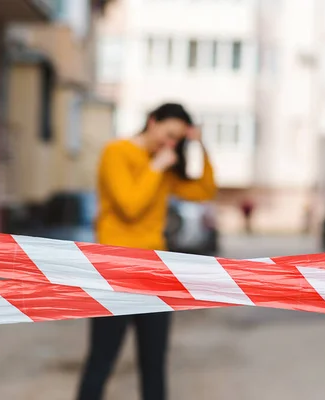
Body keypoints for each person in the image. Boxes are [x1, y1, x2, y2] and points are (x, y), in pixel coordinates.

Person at [76, 103, 217, 400]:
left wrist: (200, 146)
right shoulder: (117, 152)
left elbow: (204, 192)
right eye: (168, 134)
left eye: (178, 139)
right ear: (152, 122)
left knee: (154, 364)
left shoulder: (162, 164)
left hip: (156, 272)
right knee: (102, 360)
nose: (171, 143)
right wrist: (156, 167)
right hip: (113, 271)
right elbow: (130, 207)